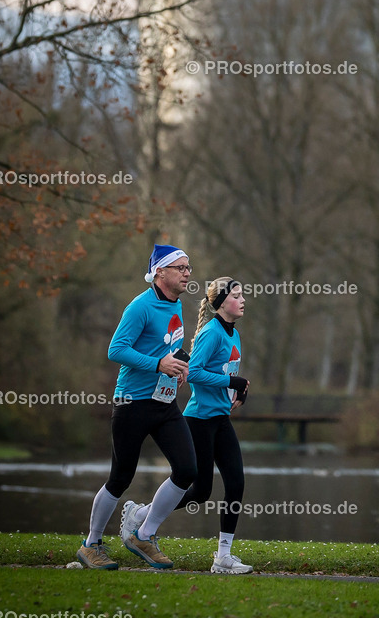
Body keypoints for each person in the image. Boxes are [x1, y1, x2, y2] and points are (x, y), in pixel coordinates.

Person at [76, 244, 197, 570]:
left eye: (189, 268)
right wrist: (159, 364)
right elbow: (117, 350)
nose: (188, 273)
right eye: (181, 267)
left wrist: (179, 364)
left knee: (187, 470)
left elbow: (168, 344)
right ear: (160, 272)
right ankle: (91, 545)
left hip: (164, 403)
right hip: (132, 402)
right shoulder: (139, 307)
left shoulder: (177, 304)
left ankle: (143, 533)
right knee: (121, 477)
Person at [174, 277, 253, 574]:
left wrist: (240, 392)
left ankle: (223, 556)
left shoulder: (234, 334)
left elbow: (228, 373)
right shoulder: (212, 332)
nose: (243, 300)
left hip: (220, 419)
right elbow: (194, 373)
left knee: (236, 483)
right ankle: (143, 515)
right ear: (221, 303)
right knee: (201, 491)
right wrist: (231, 382)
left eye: (243, 294)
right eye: (237, 295)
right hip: (198, 420)